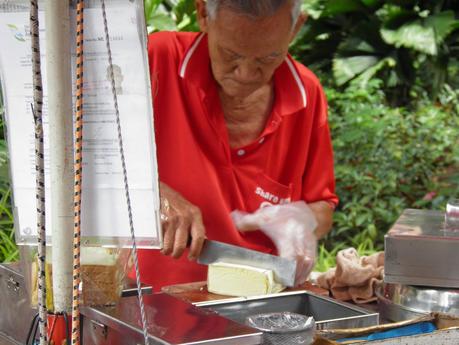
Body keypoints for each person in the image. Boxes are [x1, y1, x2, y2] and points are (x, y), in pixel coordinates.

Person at [137, 0, 338, 290]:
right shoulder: (155, 59)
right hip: (148, 303)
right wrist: (152, 194)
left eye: (267, 58)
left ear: (296, 27)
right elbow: (76, 159)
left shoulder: (306, 93)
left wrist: (302, 219)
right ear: (203, 14)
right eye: (230, 54)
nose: (245, 74)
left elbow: (322, 204)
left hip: (257, 304)